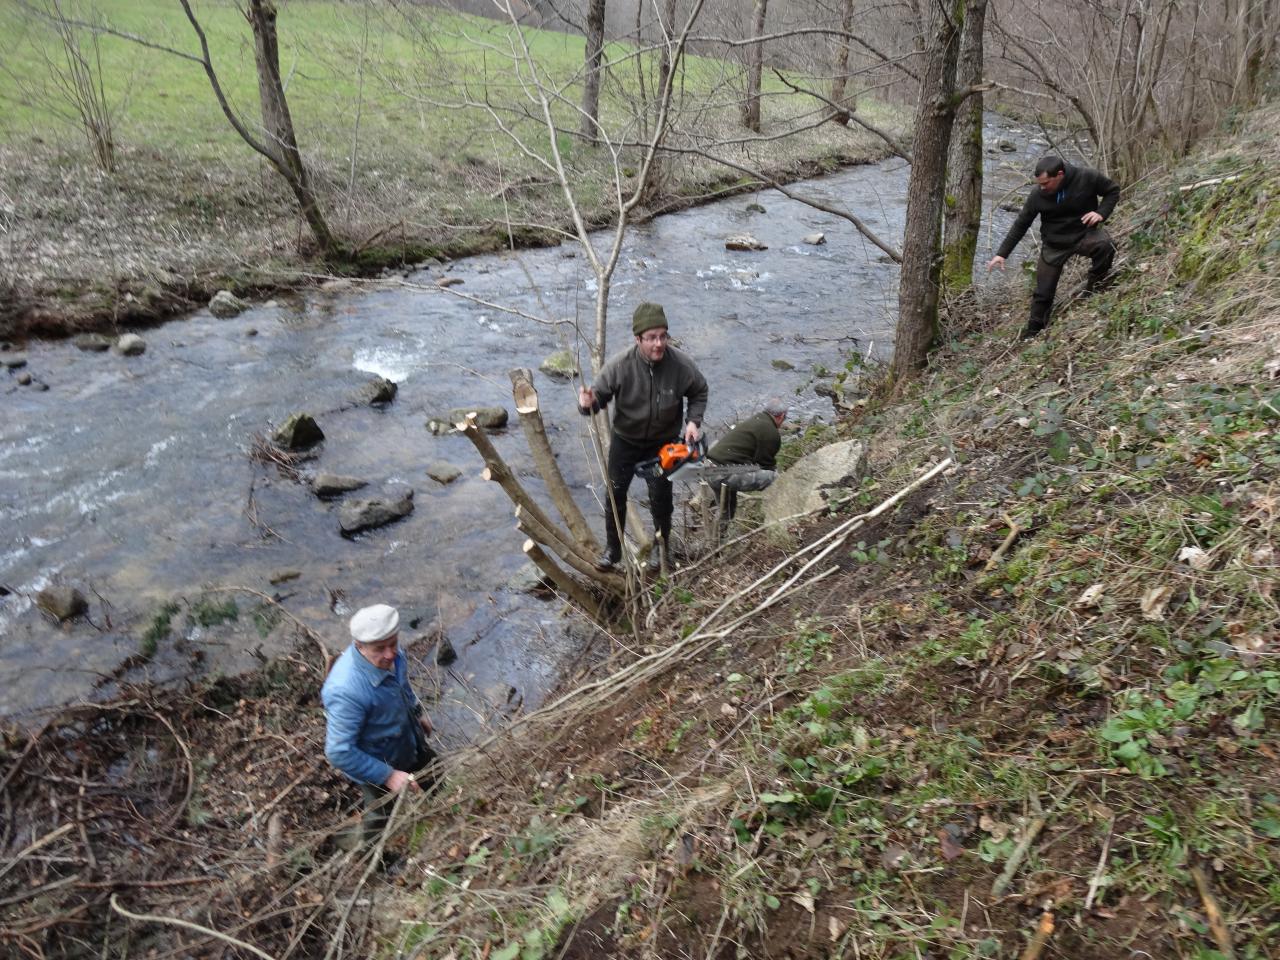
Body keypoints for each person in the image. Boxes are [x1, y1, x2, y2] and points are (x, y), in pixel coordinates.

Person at [578, 302, 709, 572]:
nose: (658, 344)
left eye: (663, 336)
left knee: (661, 498)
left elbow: (699, 391)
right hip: (626, 441)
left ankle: (663, 551)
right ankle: (613, 551)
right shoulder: (620, 365)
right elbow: (596, 401)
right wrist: (587, 402)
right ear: (638, 339)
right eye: (651, 338)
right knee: (615, 494)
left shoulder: (681, 365)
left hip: (663, 443)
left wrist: (693, 422)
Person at [322, 604, 436, 844]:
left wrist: (417, 714)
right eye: (380, 649)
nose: (390, 654)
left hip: (410, 742)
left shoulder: (394, 656)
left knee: (436, 777)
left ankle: (444, 817)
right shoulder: (345, 690)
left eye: (393, 643)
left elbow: (403, 688)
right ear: (359, 646)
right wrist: (388, 776)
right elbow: (338, 751)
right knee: (379, 823)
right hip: (378, 762)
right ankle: (350, 848)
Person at [988, 155, 1120, 339]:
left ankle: (1094, 288)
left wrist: (1100, 213)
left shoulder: (1087, 177)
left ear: (1059, 174)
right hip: (1054, 243)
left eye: (1046, 183)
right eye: (1039, 184)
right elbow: (1021, 224)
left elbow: (1112, 191)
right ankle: (1033, 333)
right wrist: (1002, 254)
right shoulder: (1037, 195)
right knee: (1043, 294)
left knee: (1106, 245)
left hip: (1084, 234)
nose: (1042, 188)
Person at [705, 400, 787, 534]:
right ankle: (779, 514)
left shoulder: (755, 420)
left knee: (727, 511)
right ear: (781, 416)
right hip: (723, 474)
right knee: (774, 478)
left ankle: (715, 542)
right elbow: (765, 466)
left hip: (710, 468)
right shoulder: (771, 433)